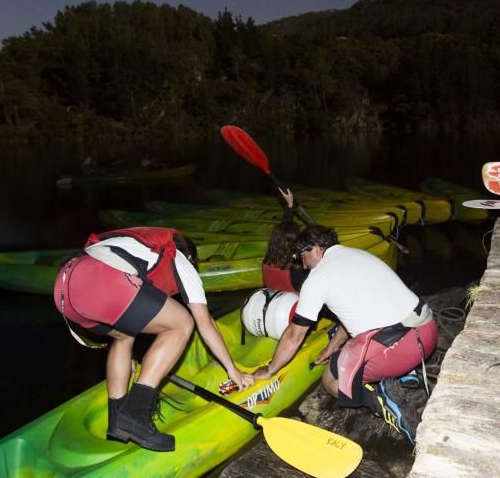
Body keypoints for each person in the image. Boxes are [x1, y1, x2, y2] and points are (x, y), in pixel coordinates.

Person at [53, 226, 255, 452]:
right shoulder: (179, 257)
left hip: (66, 290)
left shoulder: (140, 245)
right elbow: (204, 322)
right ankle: (136, 413)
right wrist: (232, 370)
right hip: (104, 281)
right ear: (190, 256)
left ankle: (118, 419)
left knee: (124, 335)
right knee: (182, 324)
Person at [250, 224, 438, 444]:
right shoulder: (357, 254)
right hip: (427, 332)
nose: (302, 264)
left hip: (401, 348)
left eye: (302, 256)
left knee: (331, 379)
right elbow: (351, 312)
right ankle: (407, 374)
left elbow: (294, 334)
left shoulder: (317, 279)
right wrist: (332, 348)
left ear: (316, 250)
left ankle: (383, 404)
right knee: (363, 340)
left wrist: (271, 369)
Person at [261, 187, 306, 292]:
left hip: (273, 304)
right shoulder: (296, 269)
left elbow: (284, 233)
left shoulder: (267, 262)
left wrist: (289, 206)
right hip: (293, 306)